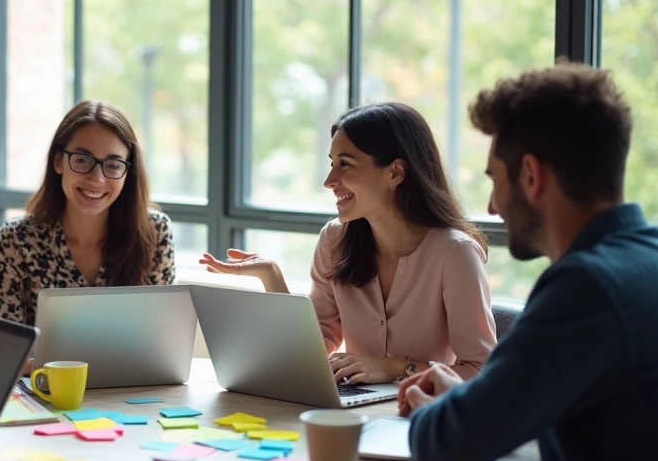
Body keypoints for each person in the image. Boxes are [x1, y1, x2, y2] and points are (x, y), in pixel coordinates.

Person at [352, 64, 658, 461]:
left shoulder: (589, 286)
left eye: (496, 179)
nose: (492, 205)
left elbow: (453, 450)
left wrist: (435, 415)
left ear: (532, 175)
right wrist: (460, 400)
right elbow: (511, 403)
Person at [201, 102, 495, 385]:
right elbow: (309, 353)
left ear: (395, 172)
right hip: (351, 410)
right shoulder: (334, 239)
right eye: (332, 164)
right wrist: (273, 278)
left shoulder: (455, 254)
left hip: (420, 417)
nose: (329, 180)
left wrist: (395, 367)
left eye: (345, 164)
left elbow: (481, 371)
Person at [0, 99, 175, 327]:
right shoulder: (17, 240)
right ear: (58, 161)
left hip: (133, 365)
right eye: (82, 160)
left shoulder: (155, 233)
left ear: (127, 173)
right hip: (42, 365)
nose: (97, 178)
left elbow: (165, 335)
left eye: (113, 165)